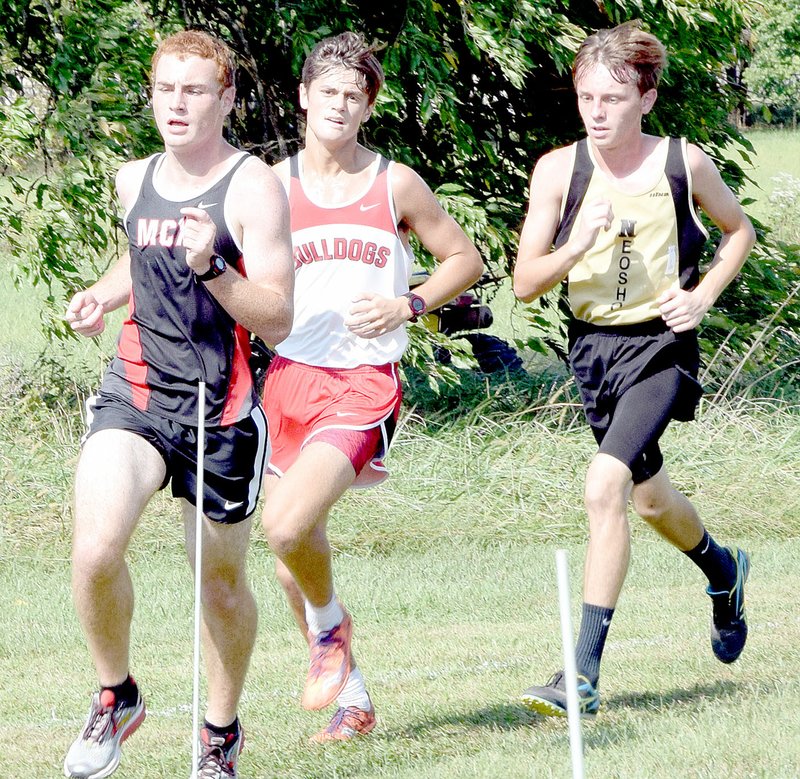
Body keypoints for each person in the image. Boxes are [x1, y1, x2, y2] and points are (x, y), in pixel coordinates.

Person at [62, 30, 294, 778]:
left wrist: (214, 266)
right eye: (165, 88)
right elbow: (137, 255)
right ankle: (116, 691)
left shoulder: (252, 185)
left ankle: (219, 733)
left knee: (220, 587)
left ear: (226, 97)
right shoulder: (136, 178)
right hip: (136, 389)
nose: (177, 103)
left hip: (220, 409)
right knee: (96, 549)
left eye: (194, 89)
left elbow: (278, 315)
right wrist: (103, 292)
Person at [513, 21, 756, 718]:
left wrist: (703, 295)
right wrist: (575, 245)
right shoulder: (559, 171)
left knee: (604, 484)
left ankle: (580, 674)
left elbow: (738, 231)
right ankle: (723, 570)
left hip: (661, 348)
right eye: (587, 96)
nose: (596, 110)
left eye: (613, 98)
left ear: (646, 98)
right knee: (648, 500)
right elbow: (526, 281)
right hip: (592, 352)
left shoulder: (685, 162)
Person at [259, 31, 484, 742]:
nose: (339, 104)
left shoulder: (395, 183)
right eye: (328, 91)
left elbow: (464, 259)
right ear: (303, 96)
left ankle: (334, 632)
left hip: (363, 380)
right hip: (287, 378)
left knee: (287, 525)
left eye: (353, 96)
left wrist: (408, 303)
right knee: (293, 556)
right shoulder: (271, 184)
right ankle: (352, 697)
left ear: (368, 108)